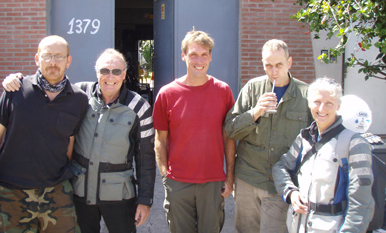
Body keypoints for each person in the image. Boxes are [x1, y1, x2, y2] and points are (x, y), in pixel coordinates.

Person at [2, 48, 156, 233]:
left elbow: (145, 157)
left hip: (119, 196)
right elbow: (48, 86)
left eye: (116, 71)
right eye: (104, 71)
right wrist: (18, 80)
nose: (110, 76)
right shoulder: (80, 94)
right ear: (96, 72)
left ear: (124, 74)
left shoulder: (139, 106)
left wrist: (145, 201)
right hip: (79, 193)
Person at [0, 35, 89, 232]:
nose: (53, 62)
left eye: (59, 57)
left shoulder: (79, 99)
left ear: (68, 61)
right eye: (47, 56)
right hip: (11, 193)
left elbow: (70, 142)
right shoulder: (15, 90)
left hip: (56, 192)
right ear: (36, 59)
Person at [224, 39, 312, 233]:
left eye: (279, 65)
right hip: (248, 178)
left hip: (280, 183)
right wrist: (255, 112)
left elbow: (314, 142)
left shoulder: (305, 94)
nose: (274, 71)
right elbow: (230, 130)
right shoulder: (252, 88)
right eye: (268, 65)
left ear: (289, 63)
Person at [153, 30, 235, 233]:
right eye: (193, 54)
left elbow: (229, 138)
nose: (199, 60)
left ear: (211, 57)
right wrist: (166, 178)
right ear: (183, 56)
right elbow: (160, 140)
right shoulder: (167, 94)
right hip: (178, 183)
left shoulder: (223, 91)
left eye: (204, 54)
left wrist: (230, 177)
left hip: (212, 182)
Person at [272, 78, 374, 232]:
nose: (321, 108)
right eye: (317, 102)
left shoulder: (355, 143)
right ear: (309, 103)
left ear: (338, 106)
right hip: (298, 226)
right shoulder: (304, 138)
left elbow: (361, 201)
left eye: (329, 103)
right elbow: (281, 167)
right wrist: (291, 192)